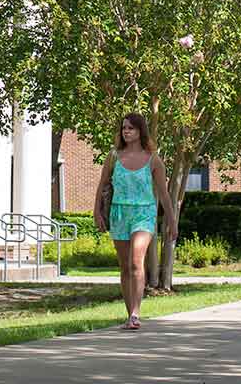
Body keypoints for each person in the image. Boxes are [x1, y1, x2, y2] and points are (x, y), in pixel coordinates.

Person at [91, 112, 177, 331]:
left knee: (135, 261)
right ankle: (130, 315)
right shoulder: (113, 156)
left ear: (140, 131)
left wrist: (172, 221)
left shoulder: (153, 159)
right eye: (124, 128)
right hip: (119, 213)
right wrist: (97, 213)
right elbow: (102, 185)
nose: (126, 131)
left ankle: (137, 313)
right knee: (124, 267)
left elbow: (164, 193)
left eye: (130, 128)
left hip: (144, 214)